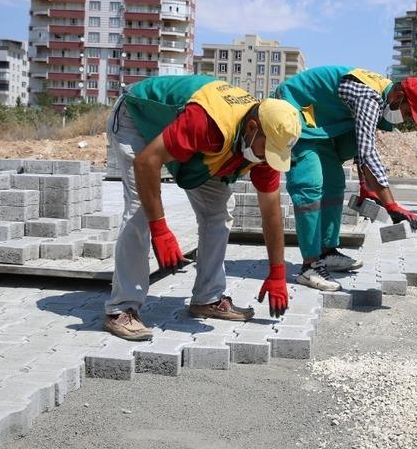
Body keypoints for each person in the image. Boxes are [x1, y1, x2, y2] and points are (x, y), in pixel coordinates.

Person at [104, 75, 302, 341]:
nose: (269, 158)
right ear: (253, 127)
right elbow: (146, 162)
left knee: (218, 210)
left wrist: (277, 272)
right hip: (139, 118)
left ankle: (207, 298)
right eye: (268, 149)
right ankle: (121, 308)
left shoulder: (266, 144)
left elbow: (271, 211)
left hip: (187, 137)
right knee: (141, 208)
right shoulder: (207, 122)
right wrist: (160, 228)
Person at [272, 66, 417, 292]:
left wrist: (367, 188)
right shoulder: (369, 97)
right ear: (398, 95)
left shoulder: (380, 96)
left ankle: (326, 252)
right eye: (406, 112)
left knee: (334, 182)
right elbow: (367, 152)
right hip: (294, 110)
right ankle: (309, 266)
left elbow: (360, 140)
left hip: (319, 124)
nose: (404, 119)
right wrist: (391, 204)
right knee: (310, 185)